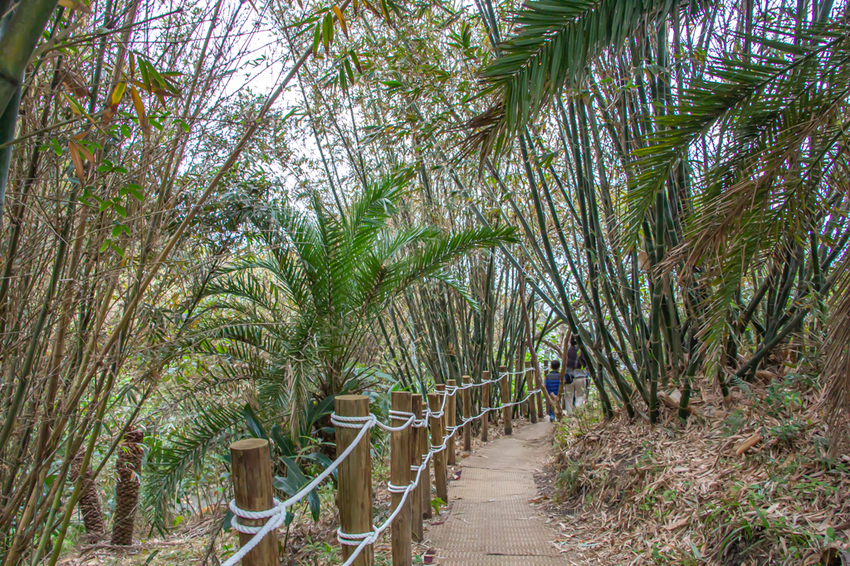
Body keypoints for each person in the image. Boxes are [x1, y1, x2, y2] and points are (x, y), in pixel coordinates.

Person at [564, 337, 586, 412]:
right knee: (580, 396)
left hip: (569, 377)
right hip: (581, 376)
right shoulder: (584, 350)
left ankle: (569, 415)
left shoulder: (568, 350)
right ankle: (577, 414)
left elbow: (564, 363)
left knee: (569, 397)